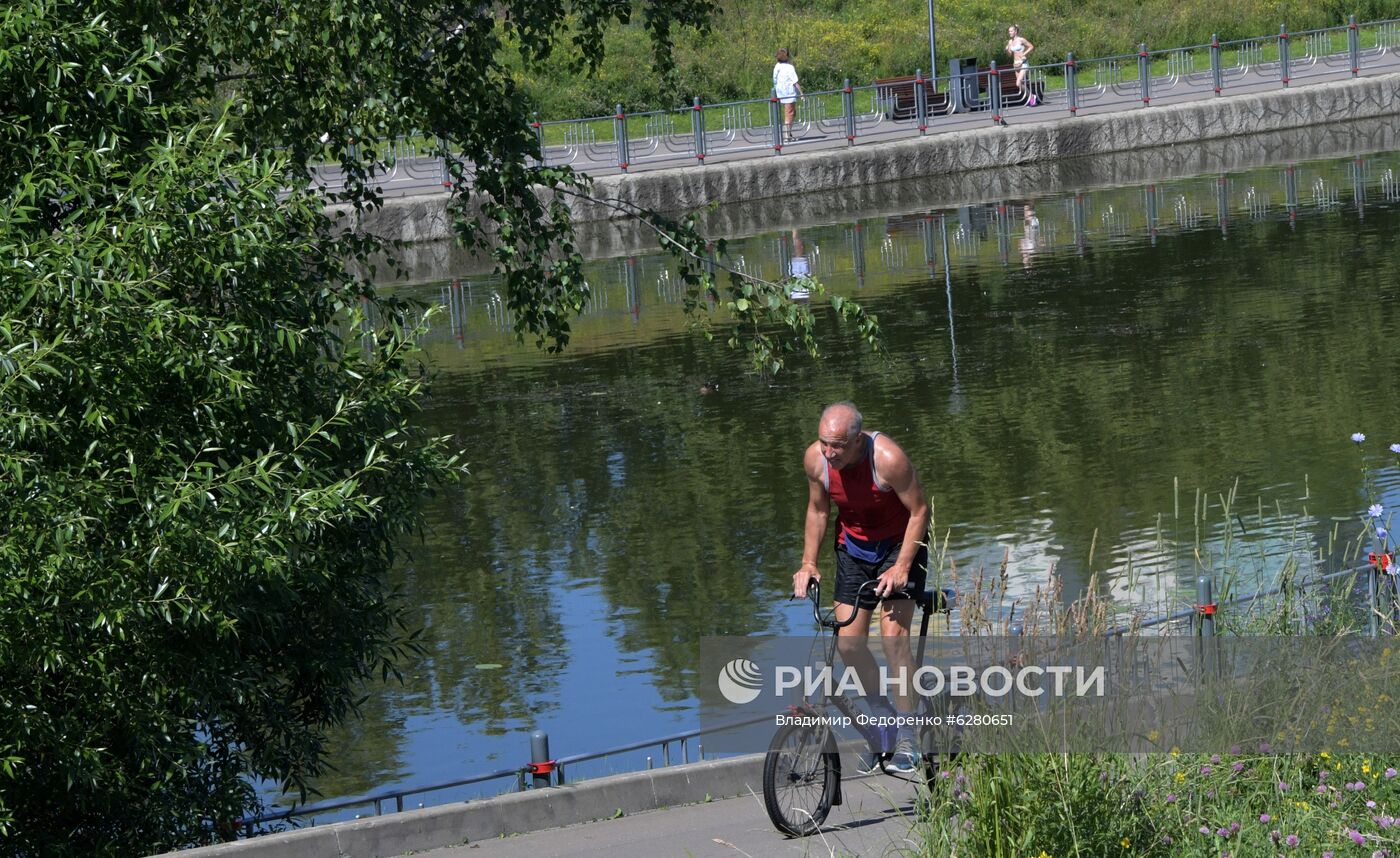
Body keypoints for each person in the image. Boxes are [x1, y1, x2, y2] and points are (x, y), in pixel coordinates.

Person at [791, 402, 931, 773]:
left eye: (837, 445)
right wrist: (808, 563)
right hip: (853, 548)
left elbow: (919, 511)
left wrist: (902, 566)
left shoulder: (887, 458)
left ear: (858, 441)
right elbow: (818, 511)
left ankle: (907, 734)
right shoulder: (816, 460)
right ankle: (882, 718)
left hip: (899, 546)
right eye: (824, 442)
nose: (828, 452)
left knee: (893, 639)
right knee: (849, 643)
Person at [772, 48, 803, 143]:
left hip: (781, 92)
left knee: (791, 113)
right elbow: (795, 81)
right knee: (790, 113)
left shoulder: (777, 66)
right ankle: (786, 135)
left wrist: (776, 90)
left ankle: (788, 133)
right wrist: (801, 93)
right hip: (789, 93)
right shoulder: (790, 67)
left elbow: (774, 79)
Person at [1005, 25, 1036, 106]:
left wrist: (1024, 54)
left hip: (1023, 63)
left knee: (1018, 83)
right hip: (1016, 65)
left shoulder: (1021, 40)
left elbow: (1031, 46)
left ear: (1015, 31)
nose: (1010, 33)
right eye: (1009, 31)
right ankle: (1031, 99)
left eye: (1011, 31)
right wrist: (1007, 49)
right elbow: (1009, 54)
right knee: (1021, 85)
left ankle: (1032, 97)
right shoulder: (1010, 42)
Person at [788, 228, 810, 300]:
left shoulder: (800, 295)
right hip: (799, 271)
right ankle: (795, 231)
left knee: (799, 250)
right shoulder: (802, 295)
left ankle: (795, 231)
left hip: (798, 270)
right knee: (799, 250)